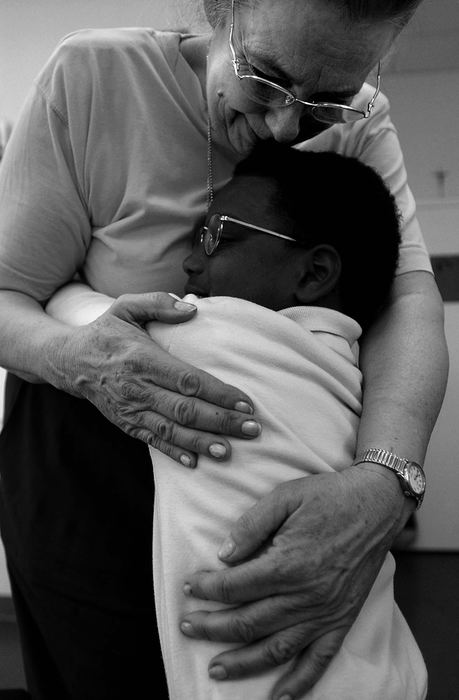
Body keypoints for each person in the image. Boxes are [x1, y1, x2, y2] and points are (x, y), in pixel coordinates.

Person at [0, 1, 447, 698]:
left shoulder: (365, 124)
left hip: (258, 488)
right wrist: (79, 359)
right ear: (220, 10)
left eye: (326, 100)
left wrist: (385, 482)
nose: (285, 127)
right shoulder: (97, 75)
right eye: (264, 79)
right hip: (82, 482)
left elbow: (408, 306)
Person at [47, 142, 427, 699]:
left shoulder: (211, 333)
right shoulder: (355, 372)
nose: (190, 262)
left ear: (315, 271)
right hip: (389, 671)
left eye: (217, 236)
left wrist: (67, 278)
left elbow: (68, 305)